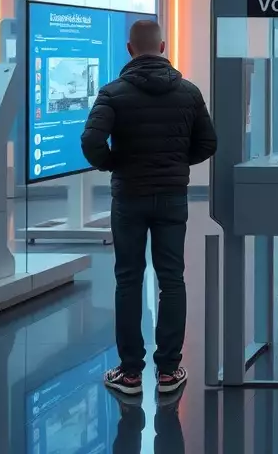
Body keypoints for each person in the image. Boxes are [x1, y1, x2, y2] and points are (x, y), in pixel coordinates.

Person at [81, 20, 217, 395]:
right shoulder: (188, 92)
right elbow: (209, 143)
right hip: (172, 196)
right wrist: (176, 162)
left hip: (128, 197)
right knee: (172, 279)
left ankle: (129, 374)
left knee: (128, 280)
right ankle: (169, 372)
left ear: (129, 49)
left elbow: (91, 141)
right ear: (162, 47)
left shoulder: (112, 93)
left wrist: (114, 163)